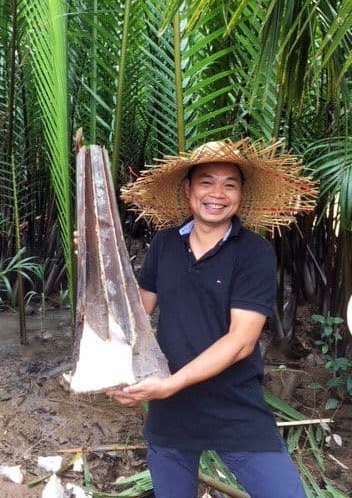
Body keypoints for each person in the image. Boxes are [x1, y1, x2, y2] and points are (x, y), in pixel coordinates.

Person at [108, 139, 317, 498]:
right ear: (188, 189)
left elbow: (241, 342)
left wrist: (172, 383)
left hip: (234, 407)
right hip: (171, 412)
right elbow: (134, 318)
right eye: (206, 181)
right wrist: (99, 264)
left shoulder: (254, 253)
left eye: (229, 184)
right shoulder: (164, 245)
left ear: (241, 195)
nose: (217, 193)